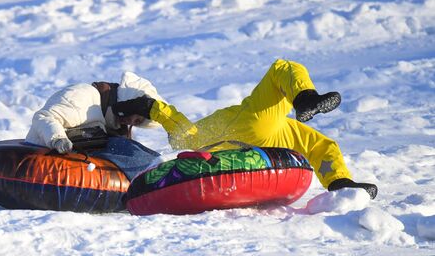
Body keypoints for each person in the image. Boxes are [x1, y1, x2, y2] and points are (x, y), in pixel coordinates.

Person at [112, 59, 378, 199]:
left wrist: (153, 108)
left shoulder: (214, 133)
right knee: (282, 69)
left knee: (281, 73)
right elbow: (324, 148)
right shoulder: (282, 124)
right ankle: (339, 181)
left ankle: (343, 186)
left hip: (250, 136)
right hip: (269, 137)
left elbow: (184, 136)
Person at [25, 71, 164, 179]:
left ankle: (160, 169)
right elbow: (42, 117)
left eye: (137, 123)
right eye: (135, 118)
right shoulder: (84, 97)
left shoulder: (111, 124)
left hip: (73, 163)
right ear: (128, 103)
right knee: (121, 146)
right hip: (43, 162)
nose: (130, 123)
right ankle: (157, 175)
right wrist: (57, 139)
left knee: (127, 146)